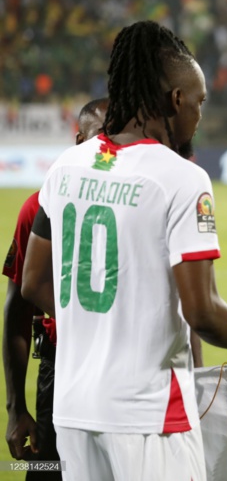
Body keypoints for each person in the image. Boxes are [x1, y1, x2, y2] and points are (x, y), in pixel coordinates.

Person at [21, 20, 227, 480]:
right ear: (177, 100)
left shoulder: (65, 166)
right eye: (199, 102)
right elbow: (203, 311)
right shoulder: (181, 177)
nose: (198, 114)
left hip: (74, 412)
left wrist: (100, 324)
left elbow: (33, 281)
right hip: (149, 414)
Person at [3, 98, 107, 480]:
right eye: (100, 137)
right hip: (59, 370)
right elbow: (17, 312)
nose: (109, 147)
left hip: (124, 368)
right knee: (51, 471)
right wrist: (16, 408)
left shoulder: (143, 202)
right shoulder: (38, 208)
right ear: (79, 140)